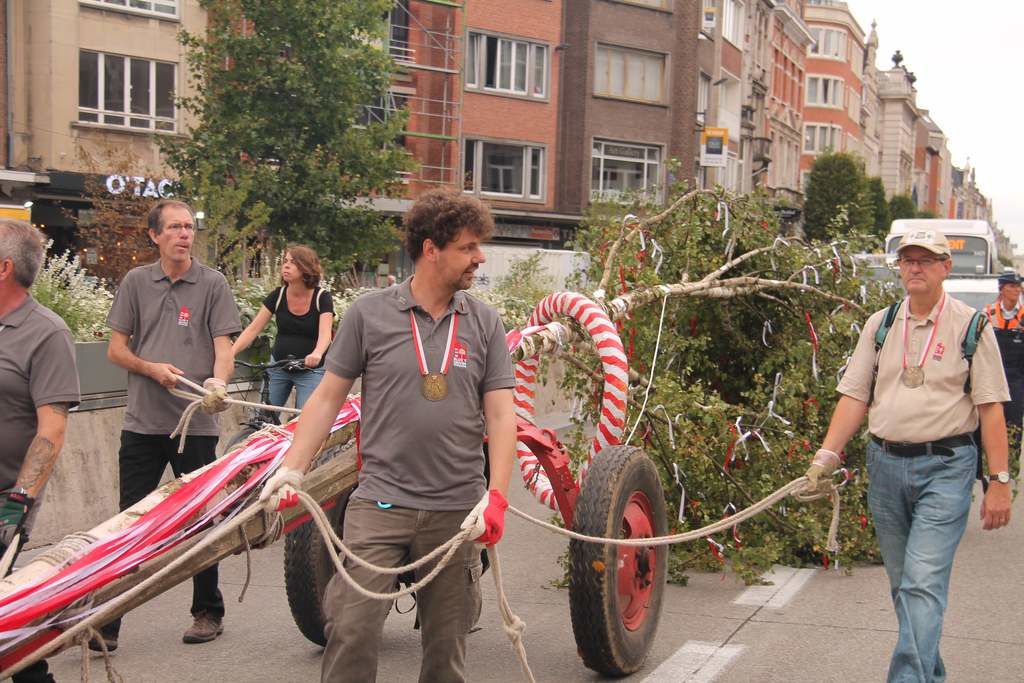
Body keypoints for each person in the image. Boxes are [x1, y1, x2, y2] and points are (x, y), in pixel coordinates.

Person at [259, 188, 516, 683]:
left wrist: (497, 496)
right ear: (430, 249)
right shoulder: (369, 314)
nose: (478, 258)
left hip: (456, 510)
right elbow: (327, 398)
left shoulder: (484, 322)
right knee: (351, 630)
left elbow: (503, 417)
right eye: (467, 248)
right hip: (380, 505)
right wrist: (292, 467)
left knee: (447, 649)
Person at [806, 229, 1012, 683]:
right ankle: (929, 673)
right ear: (899, 267)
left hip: (947, 466)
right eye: (908, 260)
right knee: (907, 586)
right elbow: (855, 395)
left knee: (922, 583)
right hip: (886, 466)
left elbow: (991, 408)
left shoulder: (972, 326)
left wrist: (999, 481)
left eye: (926, 259)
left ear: (945, 267)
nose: (915, 267)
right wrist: (826, 455)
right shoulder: (880, 324)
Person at [100, 199, 241, 650]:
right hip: (142, 423)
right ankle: (107, 620)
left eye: (188, 226)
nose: (184, 234)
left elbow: (224, 345)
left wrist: (218, 381)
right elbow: (116, 351)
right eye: (174, 227)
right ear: (154, 235)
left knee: (200, 520)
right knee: (127, 523)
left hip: (194, 425)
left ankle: (207, 612)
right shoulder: (136, 283)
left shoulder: (212, 283)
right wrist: (149, 368)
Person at [0, 220, 80, 683]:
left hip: (5, 498)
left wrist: (17, 505)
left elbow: (51, 429)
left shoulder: (46, 333)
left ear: (4, 268)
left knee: (10, 632)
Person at [231, 245, 334, 409]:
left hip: (310, 370)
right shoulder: (277, 296)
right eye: (285, 261)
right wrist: (230, 354)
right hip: (279, 364)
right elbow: (252, 329)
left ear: (306, 267)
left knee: (305, 420)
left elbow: (325, 335)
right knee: (262, 416)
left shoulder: (322, 298)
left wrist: (317, 353)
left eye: (293, 262)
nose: (285, 265)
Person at [984, 273, 1024, 460]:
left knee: (1015, 420)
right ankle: (988, 461)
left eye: (1019, 286)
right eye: (1012, 286)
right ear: (1001, 289)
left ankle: (1012, 463)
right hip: (993, 375)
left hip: (1017, 376)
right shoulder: (988, 313)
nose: (1017, 290)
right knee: (989, 418)